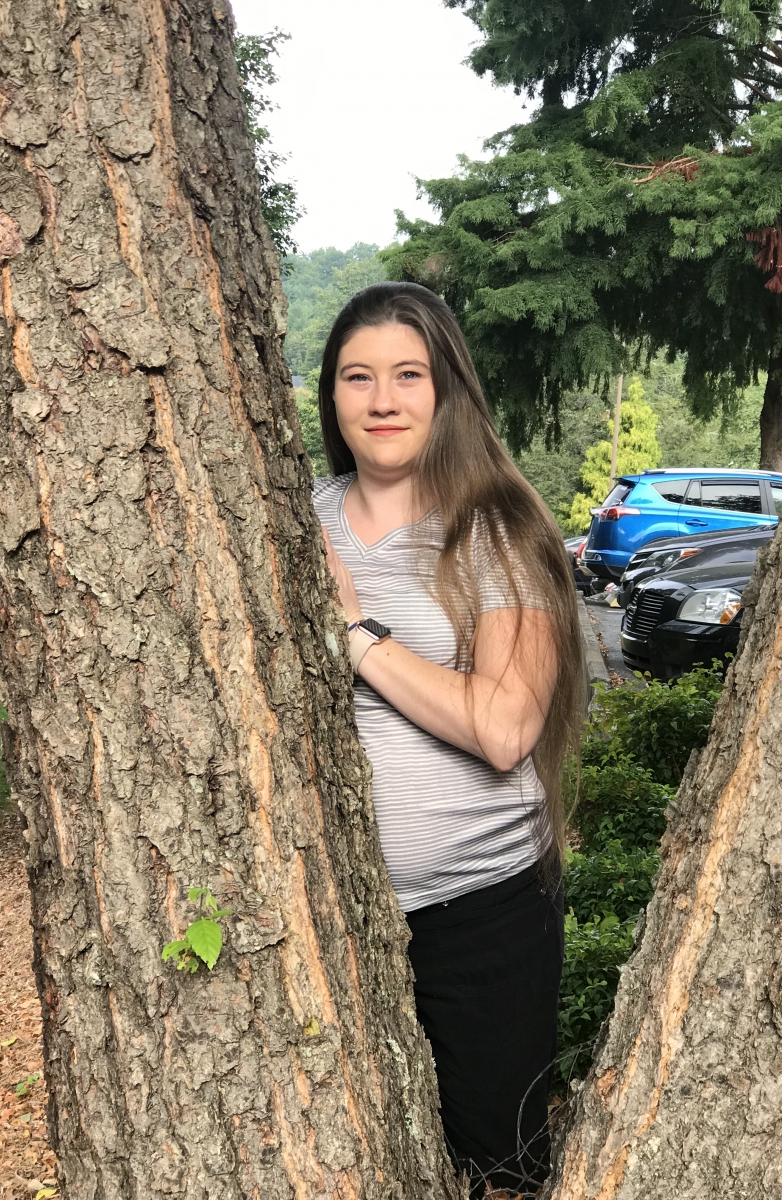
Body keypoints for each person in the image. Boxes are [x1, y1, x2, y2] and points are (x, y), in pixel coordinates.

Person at [311, 282, 584, 1197]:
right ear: (332, 394)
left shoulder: (496, 528)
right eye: (358, 376)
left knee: (498, 1166)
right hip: (332, 912)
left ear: (446, 390)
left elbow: (507, 727)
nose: (382, 400)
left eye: (407, 375)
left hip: (483, 910)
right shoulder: (294, 524)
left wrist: (356, 636)